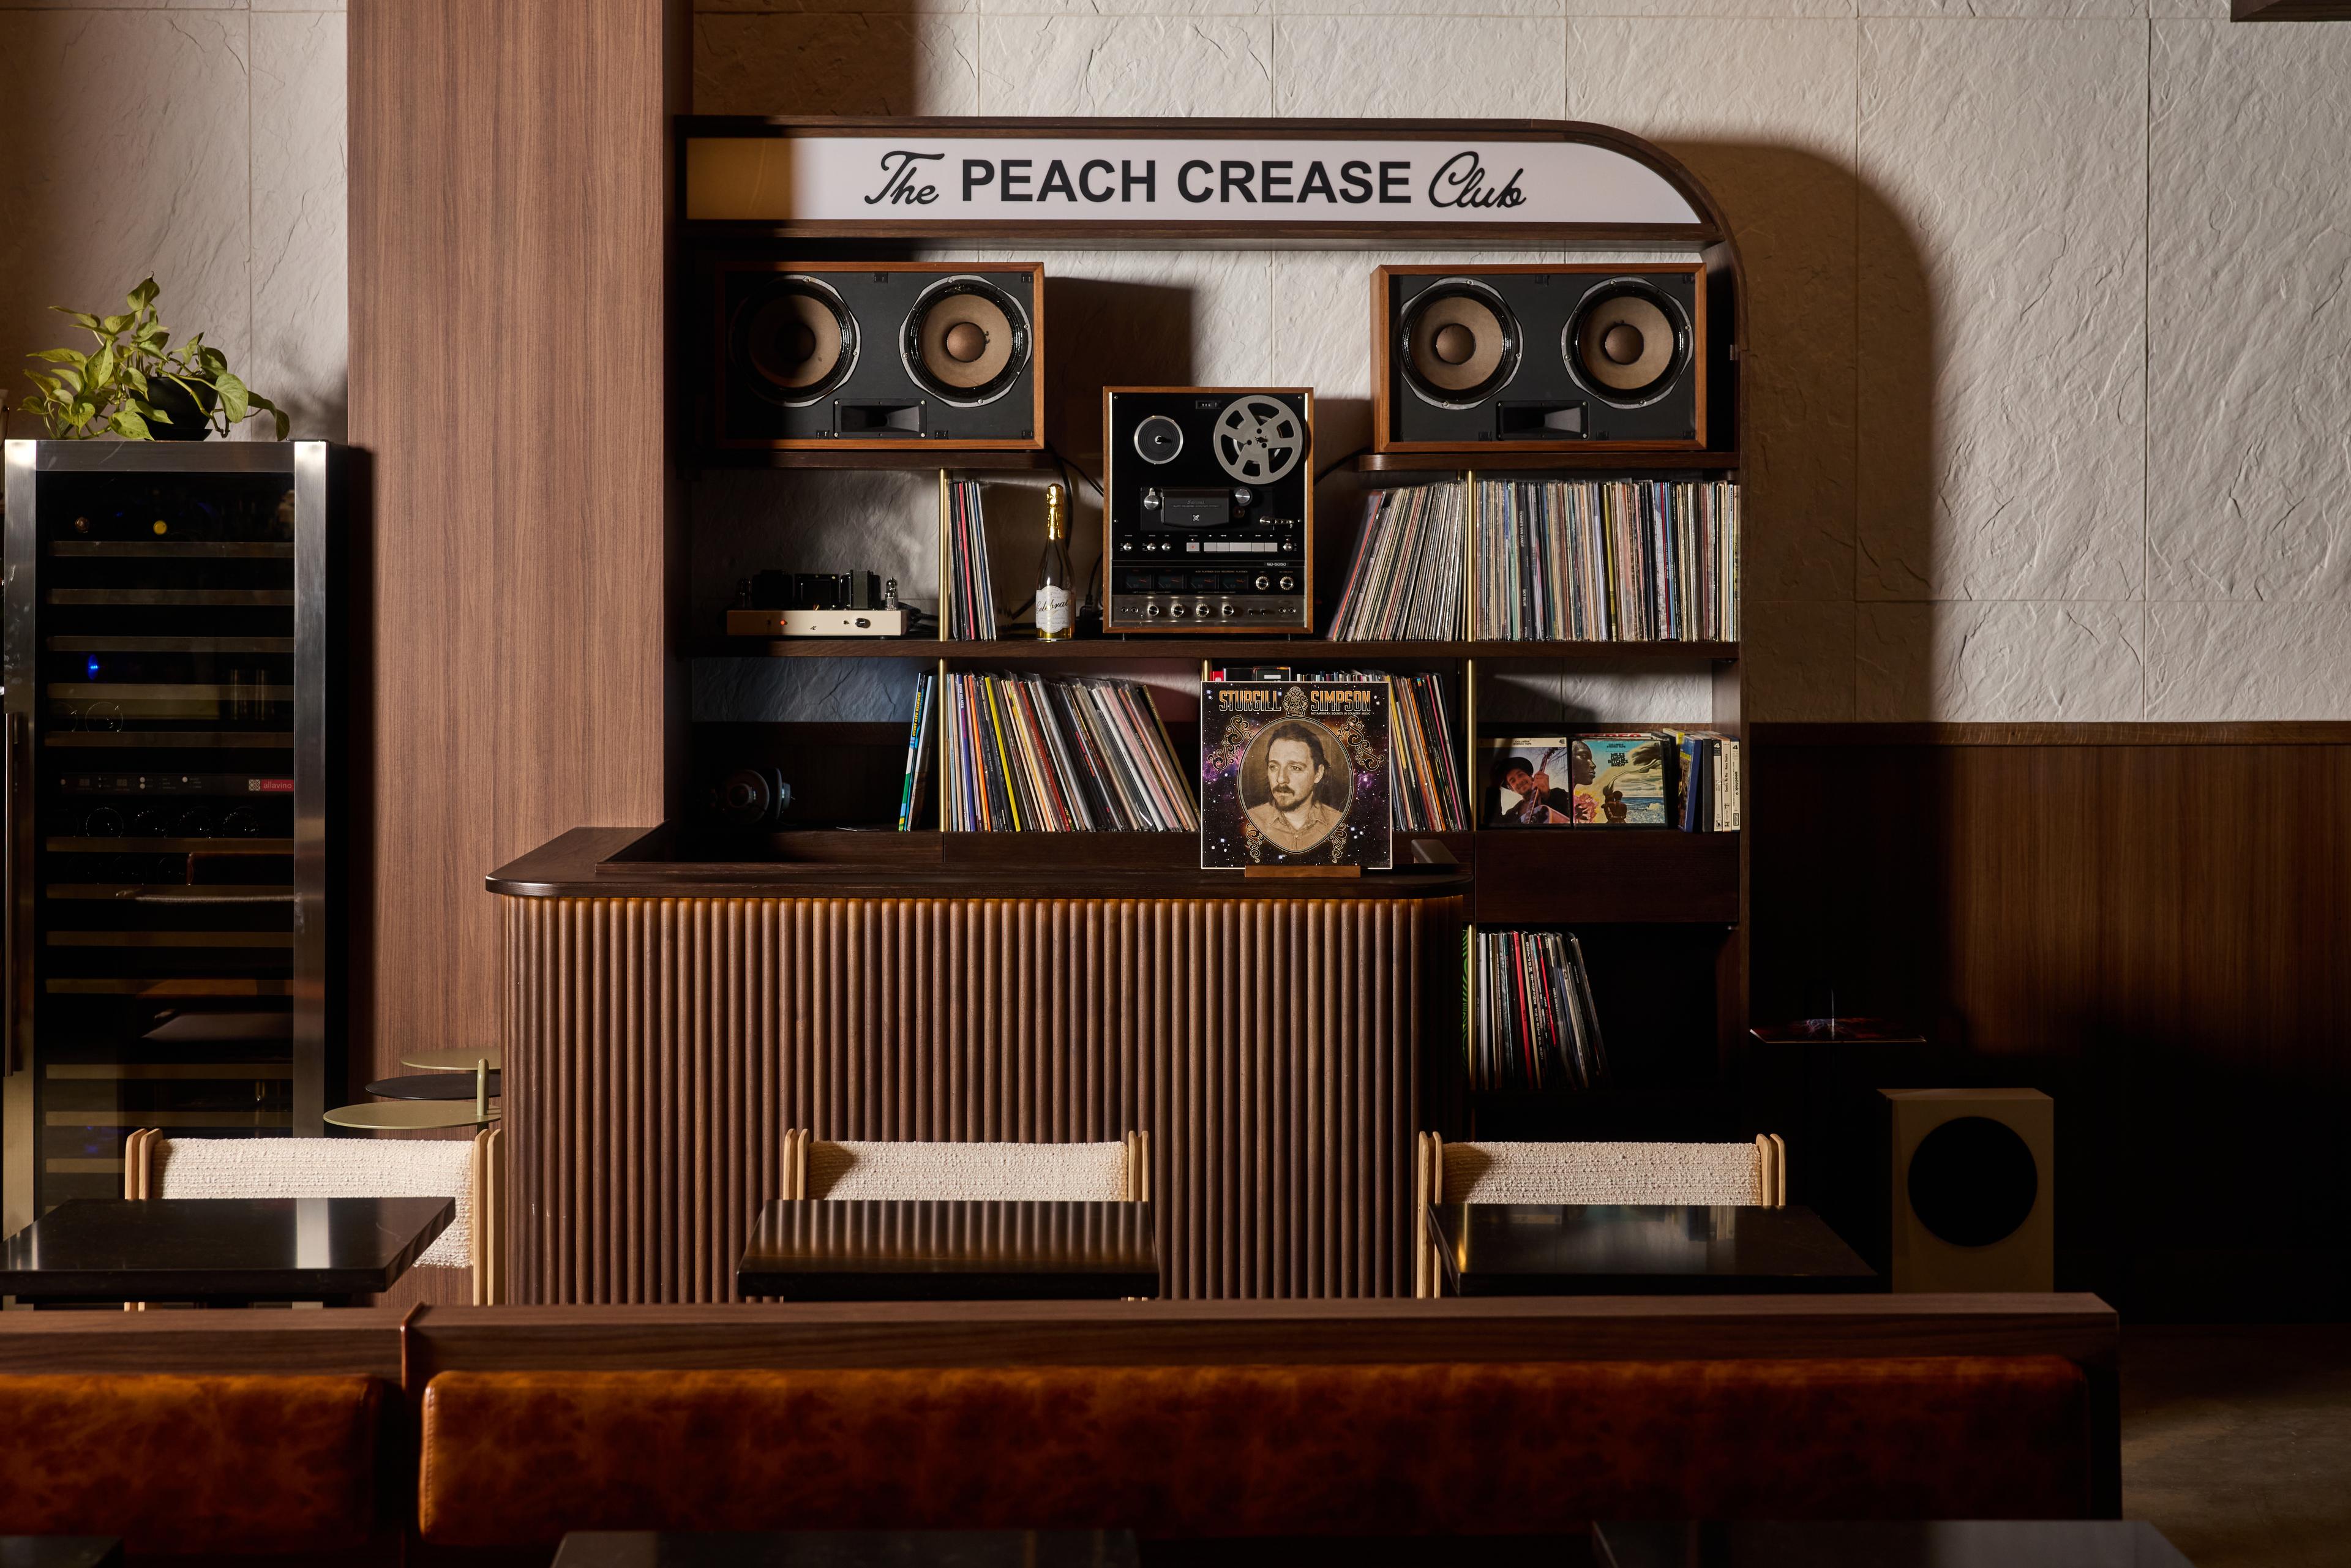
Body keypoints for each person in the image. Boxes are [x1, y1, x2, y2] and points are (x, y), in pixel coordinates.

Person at [1245, 719, 1345, 853]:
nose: (1281, 779)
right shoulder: (1251, 823)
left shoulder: (1339, 825)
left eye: (1295, 768)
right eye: (1274, 767)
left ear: (1318, 774)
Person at [1493, 752, 1572, 825]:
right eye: (1513, 781)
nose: (1519, 781)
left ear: (1531, 777)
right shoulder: (1511, 814)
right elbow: (1493, 825)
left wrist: (1548, 796)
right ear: (1512, 789)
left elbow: (1575, 814)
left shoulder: (1557, 794)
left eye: (1520, 775)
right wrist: (1494, 787)